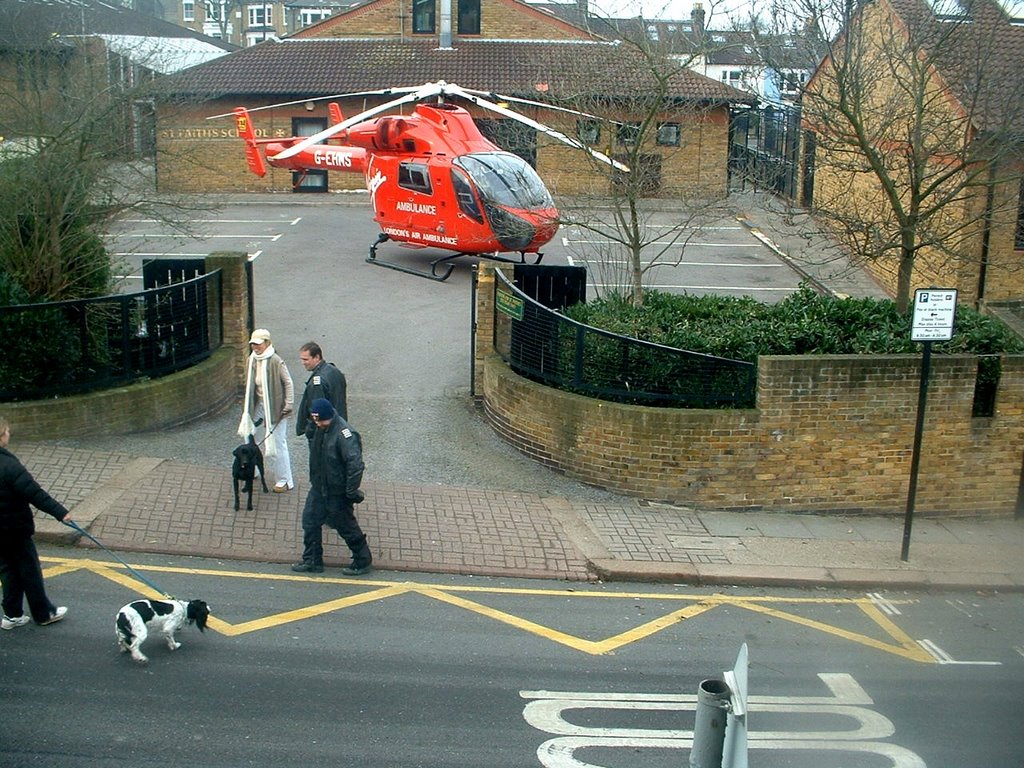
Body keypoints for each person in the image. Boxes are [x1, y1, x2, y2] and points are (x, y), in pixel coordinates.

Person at [0, 416, 70, 629]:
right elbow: (35, 494)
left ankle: (12, 615)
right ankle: (44, 613)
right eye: (8, 432)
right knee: (29, 570)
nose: (9, 435)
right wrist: (61, 513)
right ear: (1, 435)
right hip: (15, 529)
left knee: (8, 571)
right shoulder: (9, 465)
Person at [291, 398, 372, 575]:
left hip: (337, 491)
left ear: (330, 417)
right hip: (320, 487)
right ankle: (312, 560)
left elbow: (355, 465)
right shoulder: (320, 428)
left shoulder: (344, 435)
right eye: (315, 420)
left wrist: (350, 491)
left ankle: (362, 560)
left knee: (345, 526)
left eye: (321, 420)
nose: (318, 424)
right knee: (310, 521)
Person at [238, 328, 295, 493]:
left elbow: (288, 383)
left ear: (267, 343)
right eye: (253, 344)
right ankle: (252, 470)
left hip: (276, 408)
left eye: (258, 344)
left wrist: (288, 404)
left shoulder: (276, 361)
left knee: (278, 443)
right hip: (258, 406)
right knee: (248, 435)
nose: (255, 347)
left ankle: (284, 480)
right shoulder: (252, 360)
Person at [296, 342, 347, 440]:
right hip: (339, 424)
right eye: (302, 359)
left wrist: (310, 432)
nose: (303, 363)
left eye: (306, 359)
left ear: (317, 357)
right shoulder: (334, 371)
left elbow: (316, 410)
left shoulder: (317, 383)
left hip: (323, 432)